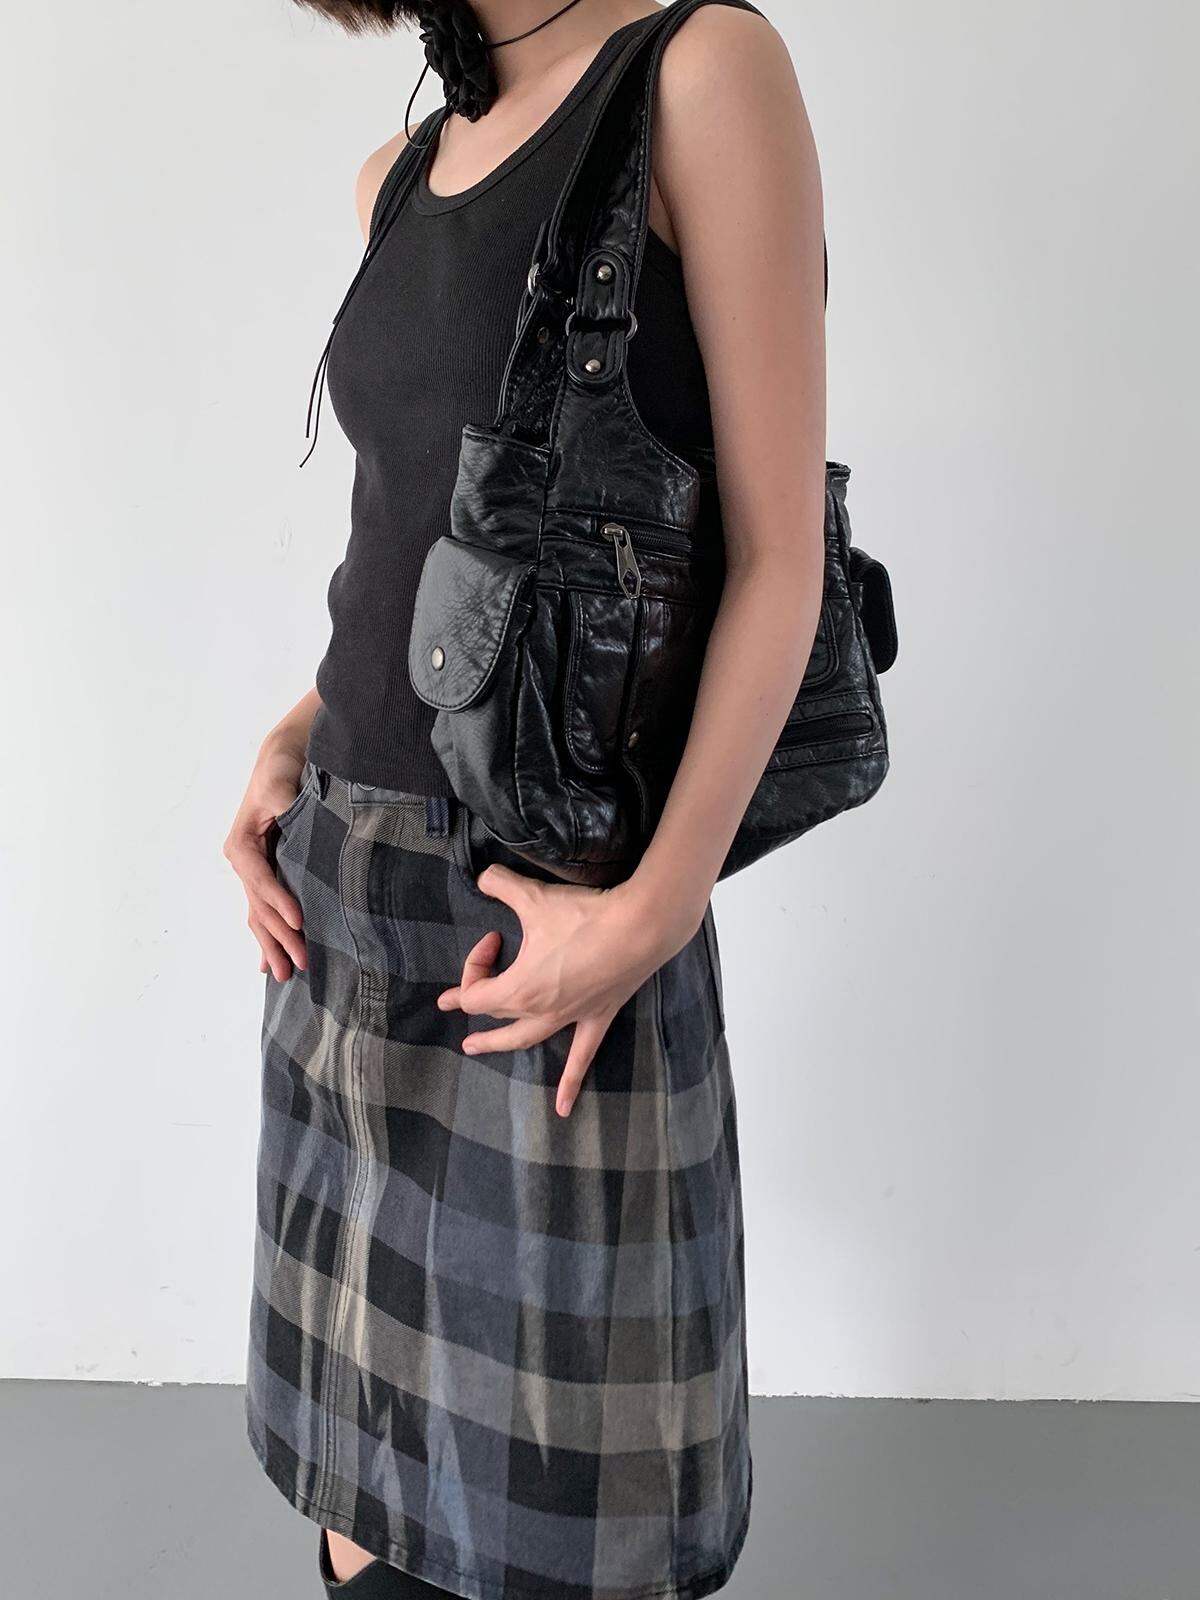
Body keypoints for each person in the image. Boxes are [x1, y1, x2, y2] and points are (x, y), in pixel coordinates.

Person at [223, 0, 826, 1592]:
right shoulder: (399, 174)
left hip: (547, 909)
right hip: (343, 892)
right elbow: (428, 552)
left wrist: (654, 910)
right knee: (366, 1500)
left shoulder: (698, 73)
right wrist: (290, 738)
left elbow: (778, 559)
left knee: (577, 1527)